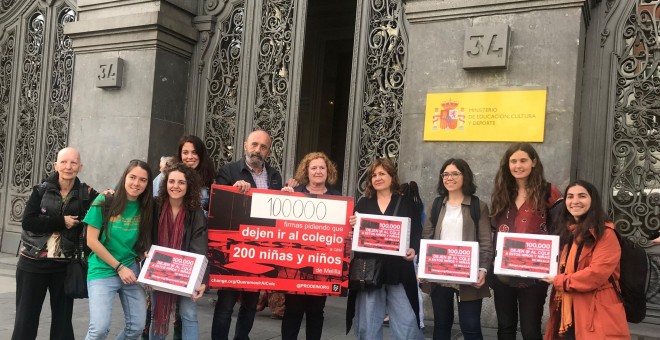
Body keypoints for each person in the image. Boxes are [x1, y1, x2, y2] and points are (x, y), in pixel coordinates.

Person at [12, 147, 99, 340]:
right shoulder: (41, 190)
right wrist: (62, 221)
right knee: (25, 320)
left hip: (64, 267)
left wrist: (108, 195)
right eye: (64, 162)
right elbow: (28, 221)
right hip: (32, 263)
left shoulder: (87, 194)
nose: (68, 166)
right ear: (56, 165)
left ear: (80, 166)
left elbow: (106, 212)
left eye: (73, 162)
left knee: (62, 323)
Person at [212, 129, 283, 340]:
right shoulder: (228, 171)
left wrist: (287, 194)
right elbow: (219, 207)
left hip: (259, 251)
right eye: (254, 145)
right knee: (226, 304)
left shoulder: (274, 175)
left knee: (250, 305)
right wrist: (233, 191)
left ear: (268, 151)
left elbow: (278, 212)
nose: (257, 150)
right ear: (245, 145)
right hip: (233, 250)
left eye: (263, 147)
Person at [489, 143, 563, 340]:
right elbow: (493, 230)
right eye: (513, 161)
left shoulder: (549, 192)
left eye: (523, 160)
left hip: (535, 275)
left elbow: (560, 231)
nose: (518, 165)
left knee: (530, 330)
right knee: (505, 327)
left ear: (534, 162)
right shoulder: (502, 191)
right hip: (502, 272)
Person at [346, 158, 424, 340]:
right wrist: (352, 228)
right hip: (370, 272)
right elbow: (353, 236)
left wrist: (413, 249)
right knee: (368, 324)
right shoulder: (364, 203)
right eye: (373, 175)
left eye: (382, 173)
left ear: (392, 176)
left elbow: (417, 231)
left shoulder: (406, 202)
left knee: (406, 321)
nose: (377, 178)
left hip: (400, 271)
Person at [542, 180, 630, 339]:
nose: (575, 201)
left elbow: (596, 274)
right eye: (570, 196)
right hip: (568, 308)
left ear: (593, 200)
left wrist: (559, 281)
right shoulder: (569, 232)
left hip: (596, 309)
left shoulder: (606, 233)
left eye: (582, 196)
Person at [420, 159, 492, 340]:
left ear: (465, 176)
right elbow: (426, 238)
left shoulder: (478, 206)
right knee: (442, 325)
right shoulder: (436, 205)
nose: (449, 178)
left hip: (468, 277)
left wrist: (482, 269)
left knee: (471, 327)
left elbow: (485, 242)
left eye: (454, 173)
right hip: (439, 275)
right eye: (445, 174)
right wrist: (422, 267)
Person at [83, 159, 154, 340]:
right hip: (103, 270)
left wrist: (145, 253)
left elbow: (144, 241)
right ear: (124, 177)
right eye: (132, 177)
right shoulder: (105, 200)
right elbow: (91, 241)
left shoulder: (147, 207)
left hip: (131, 270)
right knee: (99, 329)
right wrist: (119, 268)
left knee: (137, 328)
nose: (136, 183)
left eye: (143, 180)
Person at [280, 152, 341, 340]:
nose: (318, 171)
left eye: (322, 167)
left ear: (328, 170)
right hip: (296, 263)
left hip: (321, 264)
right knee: (293, 309)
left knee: (316, 311)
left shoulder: (336, 197)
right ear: (306, 171)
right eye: (313, 167)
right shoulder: (296, 194)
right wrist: (283, 198)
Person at [150, 163, 208, 340]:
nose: (175, 186)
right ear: (165, 183)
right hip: (157, 271)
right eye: (171, 181)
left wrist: (202, 280)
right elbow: (146, 237)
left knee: (188, 315)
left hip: (186, 273)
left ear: (188, 185)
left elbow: (200, 248)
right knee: (156, 316)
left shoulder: (196, 212)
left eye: (181, 182)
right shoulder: (154, 206)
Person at [177, 136, 216, 215]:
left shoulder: (210, 179)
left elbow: (214, 212)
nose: (190, 157)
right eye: (185, 152)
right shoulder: (167, 175)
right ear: (180, 155)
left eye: (194, 152)